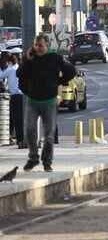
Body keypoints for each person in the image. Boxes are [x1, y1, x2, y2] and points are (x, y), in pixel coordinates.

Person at [17, 34, 76, 172]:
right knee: (29, 129)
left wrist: (58, 82)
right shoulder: (31, 58)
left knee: (49, 135)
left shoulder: (55, 58)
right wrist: (27, 60)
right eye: (36, 45)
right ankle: (33, 157)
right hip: (32, 101)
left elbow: (71, 71)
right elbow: (20, 75)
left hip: (49, 102)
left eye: (41, 46)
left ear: (47, 46)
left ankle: (47, 161)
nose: (38, 48)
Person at [0, 55, 24, 148]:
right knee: (20, 118)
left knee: (16, 118)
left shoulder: (10, 69)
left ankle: (19, 139)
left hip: (15, 96)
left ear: (9, 62)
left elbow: (1, 76)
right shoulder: (18, 67)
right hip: (21, 96)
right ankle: (20, 139)